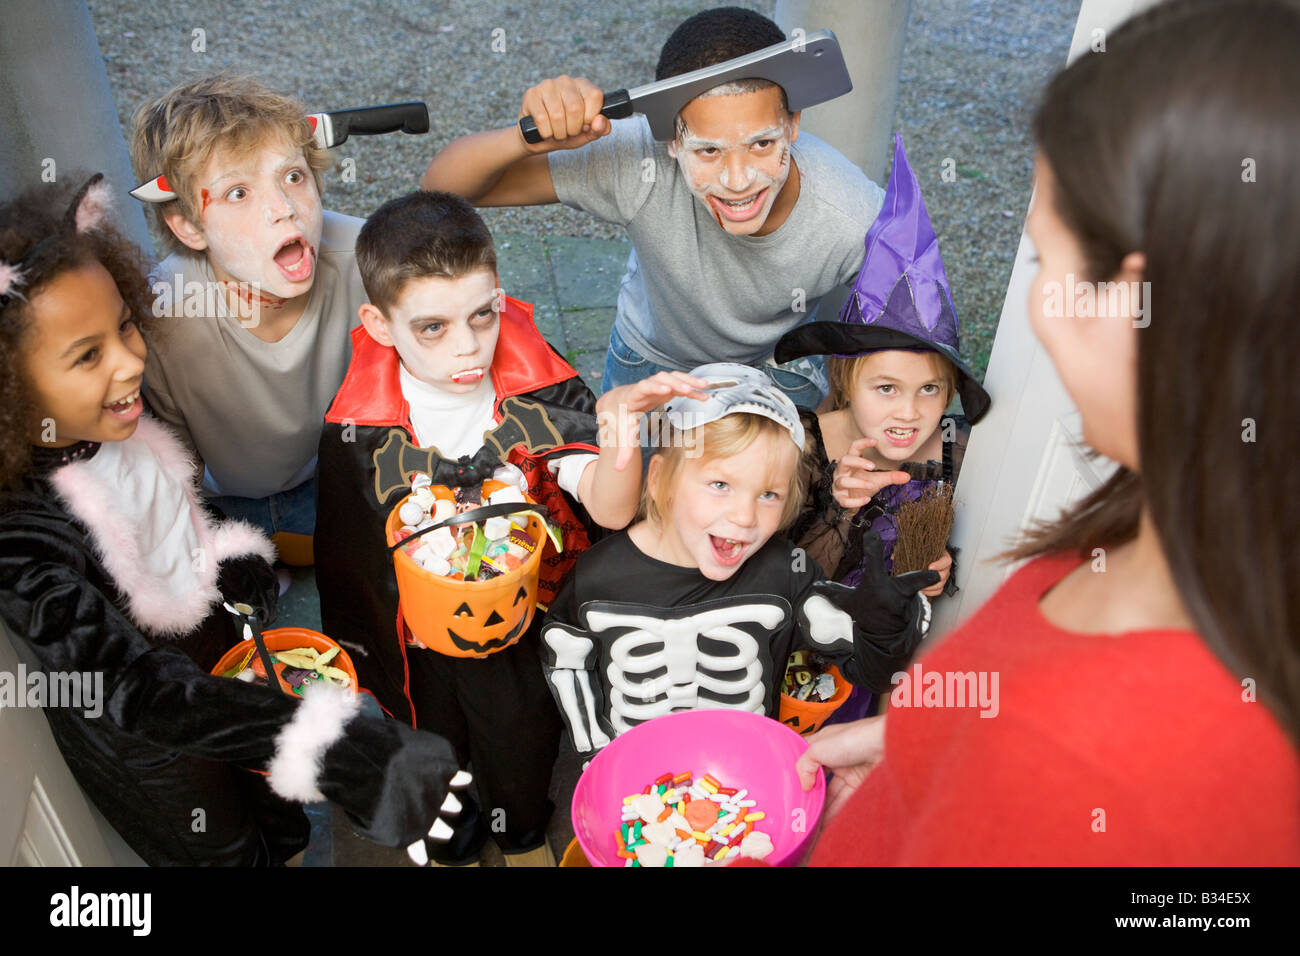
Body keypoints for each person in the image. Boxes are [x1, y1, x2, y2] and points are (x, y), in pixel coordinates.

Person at [793, 0, 1300, 864]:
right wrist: (917, 745)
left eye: (1044, 257)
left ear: (1129, 301)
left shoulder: (1089, 759)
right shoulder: (1168, 519)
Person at [0, 174, 466, 867]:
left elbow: (173, 501)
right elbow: (134, 690)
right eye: (88, 356)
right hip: (167, 748)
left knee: (275, 811)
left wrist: (229, 552)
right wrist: (337, 748)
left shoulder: (110, 420)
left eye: (124, 325)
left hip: (222, 655)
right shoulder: (23, 539)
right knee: (225, 844)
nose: (132, 360)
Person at [314, 189, 705, 866]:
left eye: (482, 314)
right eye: (432, 327)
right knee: (431, 743)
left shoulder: (533, 390)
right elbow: (351, 557)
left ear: (499, 296)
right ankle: (454, 845)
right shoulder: (361, 429)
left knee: (521, 741)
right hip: (420, 641)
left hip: (519, 624)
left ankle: (522, 836)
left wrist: (616, 428)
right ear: (380, 325)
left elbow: (610, 511)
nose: (467, 346)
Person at [420, 6, 885, 408]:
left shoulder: (852, 215)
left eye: (762, 143)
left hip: (777, 366)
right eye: (708, 151)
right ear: (670, 141)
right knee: (629, 505)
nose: (738, 179)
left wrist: (836, 410)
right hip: (653, 358)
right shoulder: (633, 160)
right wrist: (529, 136)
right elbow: (444, 188)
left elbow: (906, 341)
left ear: (794, 124)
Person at [539, 363, 938, 764]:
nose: (745, 517)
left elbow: (873, 673)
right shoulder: (599, 577)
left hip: (749, 783)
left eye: (768, 495)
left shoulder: (784, 575)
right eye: (719, 485)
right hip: (631, 782)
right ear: (660, 480)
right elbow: (567, 661)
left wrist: (882, 628)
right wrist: (595, 753)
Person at [779, 133, 993, 724]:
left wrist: (937, 578)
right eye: (886, 389)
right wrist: (842, 511)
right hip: (805, 646)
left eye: (930, 390)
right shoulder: (807, 442)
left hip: (887, 662)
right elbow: (786, 578)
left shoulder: (958, 449)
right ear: (847, 382)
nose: (909, 413)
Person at [129, 73, 368, 566]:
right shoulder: (162, 313)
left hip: (338, 478)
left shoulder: (368, 259)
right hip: (223, 505)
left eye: (294, 176)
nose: (285, 210)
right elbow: (174, 461)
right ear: (189, 226)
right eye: (238, 193)